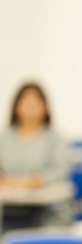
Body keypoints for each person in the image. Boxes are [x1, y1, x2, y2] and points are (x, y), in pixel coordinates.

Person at [0, 82, 70, 229]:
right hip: (7, 207)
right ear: (16, 105)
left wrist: (31, 182)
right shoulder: (4, 138)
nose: (30, 105)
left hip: (47, 209)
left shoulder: (55, 139)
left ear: (45, 106)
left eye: (36, 101)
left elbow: (58, 172)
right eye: (25, 100)